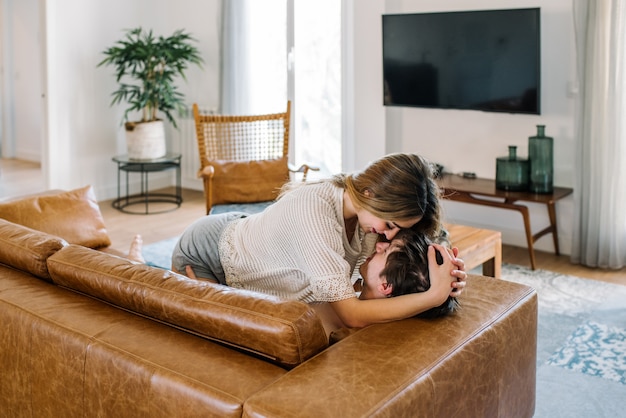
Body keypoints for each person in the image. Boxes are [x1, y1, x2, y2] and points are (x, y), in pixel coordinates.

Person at [164, 153, 466, 328]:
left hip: (253, 238)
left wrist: (450, 275)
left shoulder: (368, 216)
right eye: (389, 225)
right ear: (371, 193)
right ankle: (138, 262)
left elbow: (420, 249)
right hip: (209, 254)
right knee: (214, 328)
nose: (388, 236)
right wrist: (433, 296)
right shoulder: (317, 215)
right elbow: (352, 316)